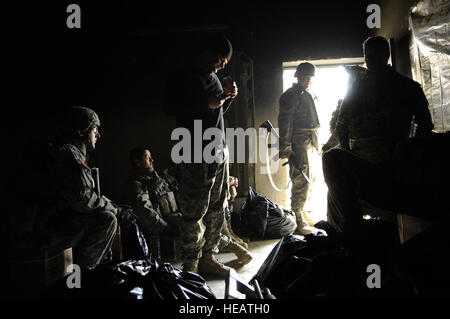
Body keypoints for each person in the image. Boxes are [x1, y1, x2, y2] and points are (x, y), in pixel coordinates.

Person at [164, 35, 238, 277]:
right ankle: (190, 265)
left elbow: (214, 112)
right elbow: (171, 107)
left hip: (218, 150)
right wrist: (205, 103)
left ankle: (208, 257)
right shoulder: (184, 77)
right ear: (206, 53)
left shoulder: (215, 79)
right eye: (220, 59)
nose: (223, 64)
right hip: (195, 150)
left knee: (218, 206)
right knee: (194, 210)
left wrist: (227, 97)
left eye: (225, 61)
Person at [14, 107, 121, 268]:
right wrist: (116, 210)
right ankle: (83, 280)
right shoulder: (67, 155)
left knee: (107, 213)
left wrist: (113, 205)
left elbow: (86, 195)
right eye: (94, 129)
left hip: (53, 223)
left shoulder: (71, 153)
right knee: (106, 219)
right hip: (45, 230)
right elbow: (83, 201)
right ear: (81, 131)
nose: (98, 135)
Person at [335, 36, 433, 166]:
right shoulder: (355, 89)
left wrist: (410, 150)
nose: (369, 58)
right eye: (366, 54)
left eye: (374, 53)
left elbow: (425, 124)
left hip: (394, 160)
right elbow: (342, 123)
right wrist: (347, 152)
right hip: (360, 159)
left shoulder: (406, 87)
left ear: (386, 55)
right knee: (330, 158)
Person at [278, 62, 321, 235]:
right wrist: (286, 147)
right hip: (299, 141)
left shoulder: (309, 93)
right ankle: (298, 217)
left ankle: (304, 211)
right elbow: (285, 122)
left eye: (310, 77)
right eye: (304, 77)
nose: (307, 80)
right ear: (297, 76)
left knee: (312, 178)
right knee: (301, 179)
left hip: (312, 140)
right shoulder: (290, 95)